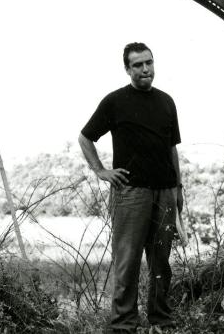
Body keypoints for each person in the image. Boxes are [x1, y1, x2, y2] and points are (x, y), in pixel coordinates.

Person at [78, 42, 183, 333]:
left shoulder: (167, 102)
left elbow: (171, 148)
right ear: (127, 69)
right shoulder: (115, 101)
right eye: (138, 65)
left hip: (164, 192)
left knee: (161, 262)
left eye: (149, 62)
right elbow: (85, 138)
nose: (145, 69)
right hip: (131, 193)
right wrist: (100, 171)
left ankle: (161, 320)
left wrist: (178, 187)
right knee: (128, 262)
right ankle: (123, 325)